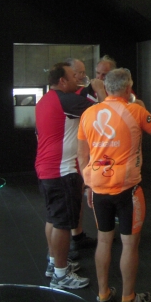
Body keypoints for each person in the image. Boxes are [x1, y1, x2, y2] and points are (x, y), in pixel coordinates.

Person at [77, 68, 151, 302]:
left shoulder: (88, 114)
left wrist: (88, 185)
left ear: (106, 89)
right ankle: (128, 299)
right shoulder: (135, 110)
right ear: (128, 88)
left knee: (104, 241)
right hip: (128, 189)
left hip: (98, 188)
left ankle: (103, 295)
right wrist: (144, 111)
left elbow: (82, 155)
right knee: (129, 245)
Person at [35, 62, 105, 290]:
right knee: (64, 224)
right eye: (73, 76)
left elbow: (79, 99)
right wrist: (100, 89)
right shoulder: (66, 101)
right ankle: (61, 274)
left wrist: (88, 89)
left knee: (53, 219)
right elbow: (104, 112)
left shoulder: (46, 100)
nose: (77, 79)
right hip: (62, 172)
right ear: (62, 81)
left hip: (46, 169)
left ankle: (54, 262)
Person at [65, 57, 106, 253]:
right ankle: (65, 249)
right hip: (74, 155)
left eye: (84, 72)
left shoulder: (78, 94)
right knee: (73, 198)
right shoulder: (72, 98)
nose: (84, 76)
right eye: (79, 73)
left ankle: (77, 235)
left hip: (84, 151)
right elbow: (105, 113)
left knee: (77, 197)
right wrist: (100, 91)